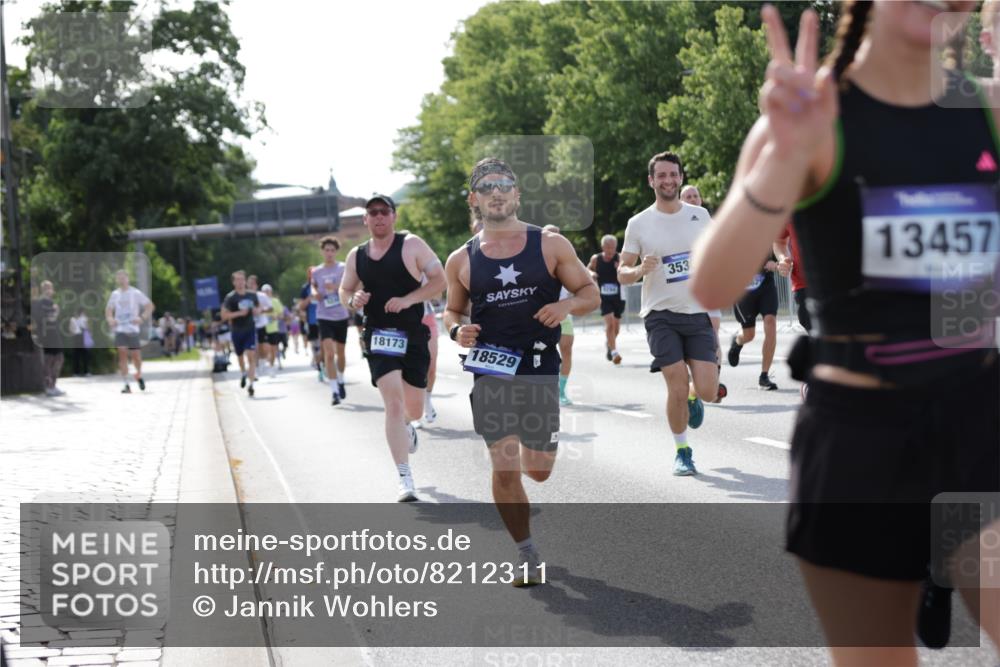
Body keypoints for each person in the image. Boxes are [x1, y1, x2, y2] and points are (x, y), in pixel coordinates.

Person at [689, 3, 999, 663]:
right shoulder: (807, 114)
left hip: (978, 422)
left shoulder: (987, 108)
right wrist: (785, 157)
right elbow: (714, 287)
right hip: (859, 438)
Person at [445, 158, 599, 585]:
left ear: (517, 194)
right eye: (487, 186)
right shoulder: (461, 258)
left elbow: (590, 293)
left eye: (504, 185)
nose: (496, 192)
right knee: (505, 466)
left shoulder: (549, 244)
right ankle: (525, 553)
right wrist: (458, 329)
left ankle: (527, 537)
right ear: (474, 198)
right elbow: (451, 310)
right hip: (490, 369)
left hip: (538, 367)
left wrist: (566, 304)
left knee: (540, 470)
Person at [340, 194, 447, 502]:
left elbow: (439, 280)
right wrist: (352, 300)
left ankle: (409, 428)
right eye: (372, 212)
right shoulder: (357, 255)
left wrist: (410, 299)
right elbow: (346, 288)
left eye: (383, 211)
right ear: (365, 219)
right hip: (379, 335)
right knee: (394, 405)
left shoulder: (412, 244)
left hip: (413, 333)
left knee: (411, 409)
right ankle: (404, 477)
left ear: (393, 215)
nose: (378, 217)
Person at [618, 151, 719, 476]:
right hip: (660, 314)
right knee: (674, 384)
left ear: (680, 176)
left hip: (697, 311)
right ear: (651, 181)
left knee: (707, 391)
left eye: (673, 174)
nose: (668, 180)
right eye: (661, 175)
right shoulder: (639, 223)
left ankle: (694, 396)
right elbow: (622, 271)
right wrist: (638, 271)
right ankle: (682, 451)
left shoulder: (700, 215)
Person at [726, 253, 781, 390]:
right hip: (743, 290)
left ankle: (764, 376)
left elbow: (780, 250)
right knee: (749, 335)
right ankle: (737, 342)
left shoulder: (769, 233)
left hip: (766, 284)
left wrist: (778, 263)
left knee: (771, 322)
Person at [312, 236, 351, 404]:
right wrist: (316, 294)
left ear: (336, 252)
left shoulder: (342, 268)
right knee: (329, 353)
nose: (329, 253)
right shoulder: (317, 271)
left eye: (332, 250)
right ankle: (334, 391)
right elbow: (313, 289)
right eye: (326, 250)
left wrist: (334, 288)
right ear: (322, 251)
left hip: (341, 315)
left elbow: (349, 287)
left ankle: (341, 379)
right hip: (324, 315)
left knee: (341, 353)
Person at [542, 224, 577, 406]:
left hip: (563, 314)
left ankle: (561, 391)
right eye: (550, 235)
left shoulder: (567, 257)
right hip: (542, 316)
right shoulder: (535, 259)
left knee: (567, 350)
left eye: (558, 235)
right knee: (545, 354)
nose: (554, 239)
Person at [106, 270, 154, 394]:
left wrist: (142, 318)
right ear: (117, 280)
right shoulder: (115, 294)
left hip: (132, 330)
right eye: (119, 278)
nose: (121, 280)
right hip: (120, 330)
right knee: (122, 354)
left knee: (136, 356)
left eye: (123, 277)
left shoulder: (135, 293)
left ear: (128, 278)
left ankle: (138, 374)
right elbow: (109, 310)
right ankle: (126, 384)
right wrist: (110, 319)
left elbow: (150, 306)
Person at [222, 270, 260, 397]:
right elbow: (224, 315)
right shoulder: (230, 297)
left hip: (250, 329)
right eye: (237, 280)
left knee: (251, 355)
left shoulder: (252, 295)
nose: (240, 282)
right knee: (240, 356)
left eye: (242, 279)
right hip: (237, 331)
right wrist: (239, 313)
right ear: (233, 282)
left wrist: (256, 310)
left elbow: (259, 308)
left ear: (245, 281)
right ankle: (243, 372)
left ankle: (251, 385)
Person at [587, 234, 625, 365]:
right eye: (608, 247)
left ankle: (609, 343)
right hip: (603, 296)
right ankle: (614, 352)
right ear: (603, 247)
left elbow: (627, 270)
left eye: (613, 247)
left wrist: (620, 269)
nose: (610, 250)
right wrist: (592, 274)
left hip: (619, 296)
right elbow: (587, 270)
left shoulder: (619, 258)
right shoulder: (596, 259)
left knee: (617, 328)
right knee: (609, 324)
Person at [33, 280, 64, 396]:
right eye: (47, 288)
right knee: (48, 360)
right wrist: (55, 312)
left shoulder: (51, 303)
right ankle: (48, 386)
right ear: (43, 289)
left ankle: (53, 385)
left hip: (54, 335)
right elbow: (43, 319)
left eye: (50, 288)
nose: (49, 290)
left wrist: (56, 312)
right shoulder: (40, 303)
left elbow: (54, 320)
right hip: (46, 335)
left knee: (59, 358)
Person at [247, 275, 272, 376]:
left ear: (256, 285)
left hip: (262, 324)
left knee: (263, 347)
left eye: (253, 284)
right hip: (250, 325)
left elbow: (270, 308)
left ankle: (262, 362)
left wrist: (262, 310)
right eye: (249, 284)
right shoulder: (245, 296)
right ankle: (255, 367)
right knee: (254, 347)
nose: (251, 286)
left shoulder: (262, 296)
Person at [261, 285, 284, 376]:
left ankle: (271, 366)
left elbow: (281, 315)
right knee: (267, 348)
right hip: (263, 328)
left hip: (274, 328)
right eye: (265, 291)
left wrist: (276, 317)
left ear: (271, 291)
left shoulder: (275, 301)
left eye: (268, 291)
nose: (266, 292)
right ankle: (265, 361)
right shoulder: (260, 302)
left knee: (274, 350)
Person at [68, 308, 91, 377]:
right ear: (82, 312)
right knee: (84, 355)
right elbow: (88, 328)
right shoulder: (83, 318)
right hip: (82, 336)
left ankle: (76, 372)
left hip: (76, 337)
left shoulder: (72, 319)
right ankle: (86, 371)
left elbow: (70, 329)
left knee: (77, 355)